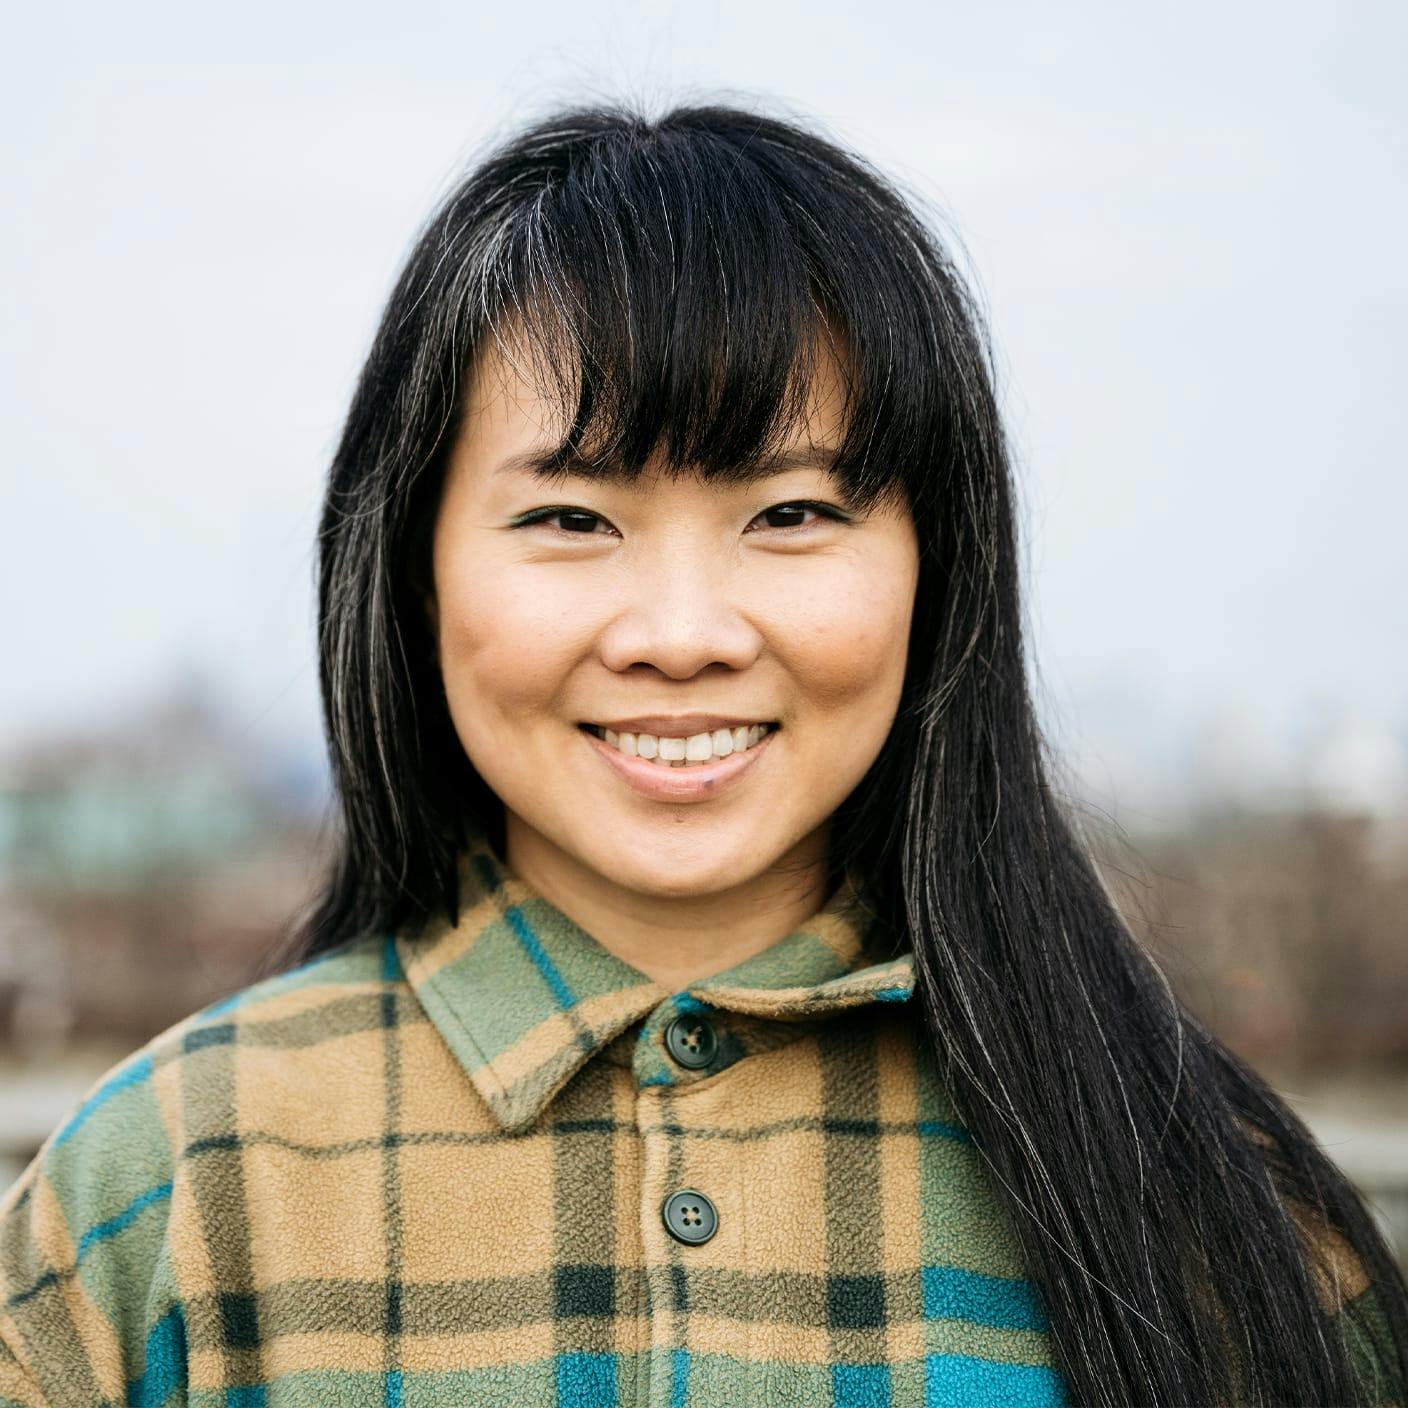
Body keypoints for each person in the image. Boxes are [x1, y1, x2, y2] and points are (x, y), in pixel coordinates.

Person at [2, 98, 1404, 1408]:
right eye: (570, 519)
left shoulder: (1216, 1204)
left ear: (940, 568)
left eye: (791, 513)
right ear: (416, 569)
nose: (682, 635)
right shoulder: (159, 1197)